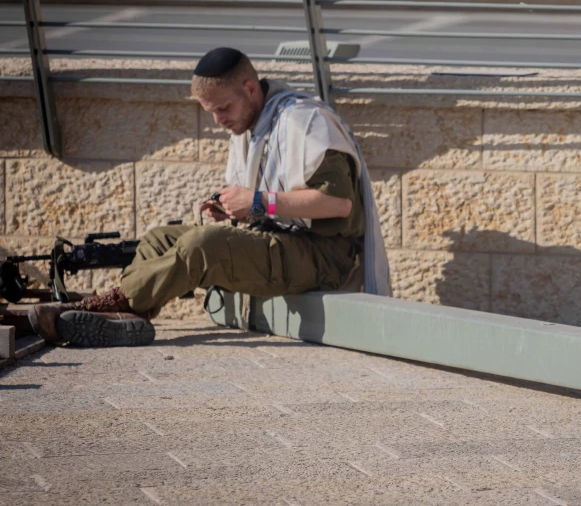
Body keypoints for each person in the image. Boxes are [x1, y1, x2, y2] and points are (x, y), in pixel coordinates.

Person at [27, 47, 391, 348]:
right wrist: (233, 210)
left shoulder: (305, 121)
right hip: (282, 242)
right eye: (211, 111)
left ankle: (113, 303)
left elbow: (337, 204)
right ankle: (127, 316)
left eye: (222, 108)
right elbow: (262, 203)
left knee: (205, 244)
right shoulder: (252, 127)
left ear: (250, 89)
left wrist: (258, 203)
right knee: (161, 239)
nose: (218, 120)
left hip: (323, 257)